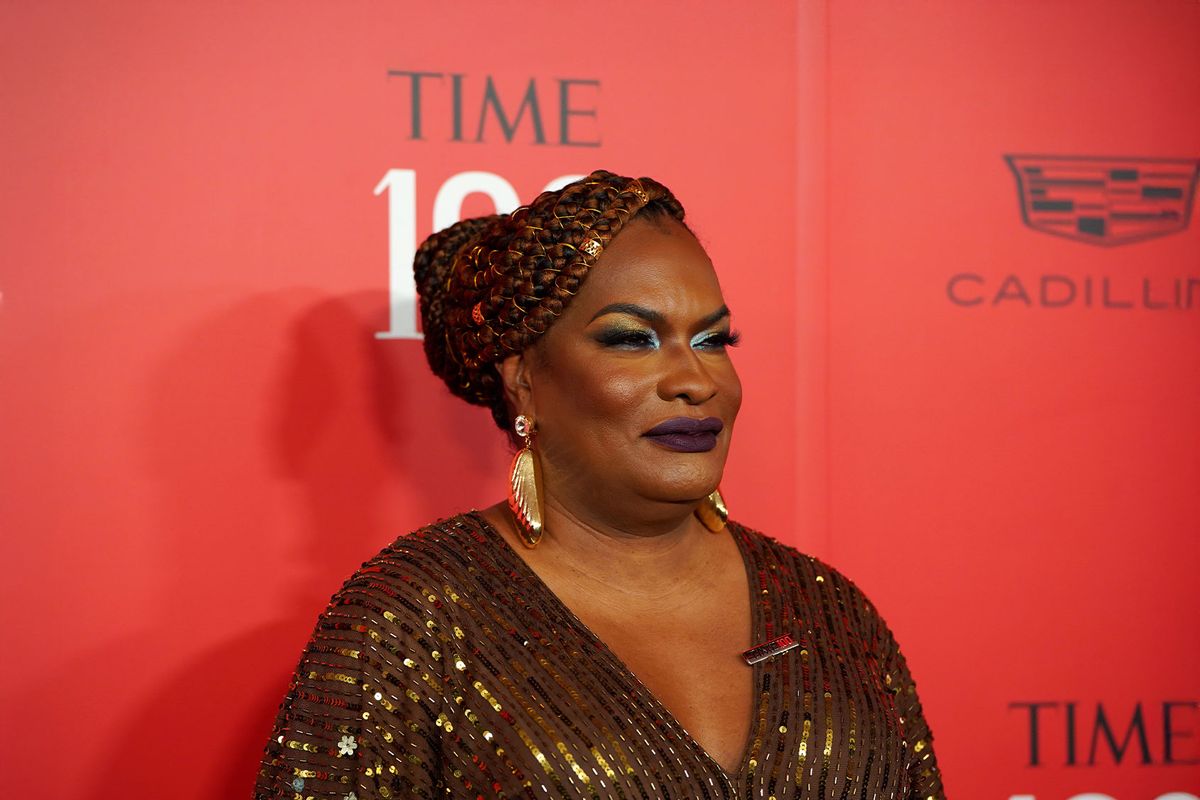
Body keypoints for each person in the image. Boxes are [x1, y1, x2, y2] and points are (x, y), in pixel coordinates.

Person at [255, 170, 945, 799]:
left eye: (712, 341)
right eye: (630, 340)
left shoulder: (831, 613)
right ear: (523, 376)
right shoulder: (411, 620)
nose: (694, 380)